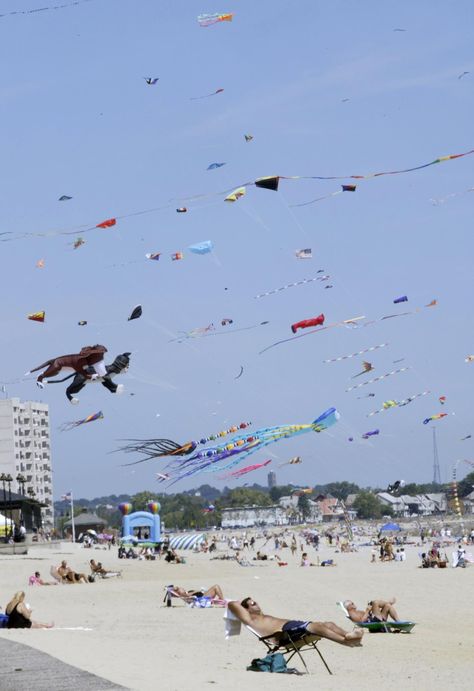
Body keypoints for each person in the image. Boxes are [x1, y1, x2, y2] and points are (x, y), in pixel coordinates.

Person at [228, 598, 363, 647]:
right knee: (317, 627)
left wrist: (248, 603)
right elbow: (232, 604)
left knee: (329, 624)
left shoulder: (261, 616)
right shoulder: (251, 619)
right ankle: (346, 641)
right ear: (246, 609)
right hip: (284, 633)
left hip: (291, 626)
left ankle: (350, 636)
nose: (257, 604)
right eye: (253, 603)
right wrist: (242, 602)